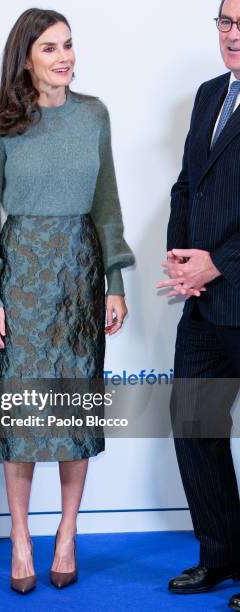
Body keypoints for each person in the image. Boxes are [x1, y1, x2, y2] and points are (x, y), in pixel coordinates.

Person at [0, 8, 134, 594]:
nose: (64, 57)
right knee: (24, 413)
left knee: (75, 409)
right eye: (49, 48)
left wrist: (115, 280)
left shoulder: (94, 115)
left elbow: (107, 202)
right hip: (22, 274)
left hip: (82, 271)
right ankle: (19, 536)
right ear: (25, 56)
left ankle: (66, 532)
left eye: (68, 45)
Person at [157, 1, 240, 608]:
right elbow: (187, 184)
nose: (234, 35)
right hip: (206, 304)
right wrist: (181, 259)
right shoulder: (211, 93)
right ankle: (221, 556)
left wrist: (223, 261)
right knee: (196, 425)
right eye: (227, 22)